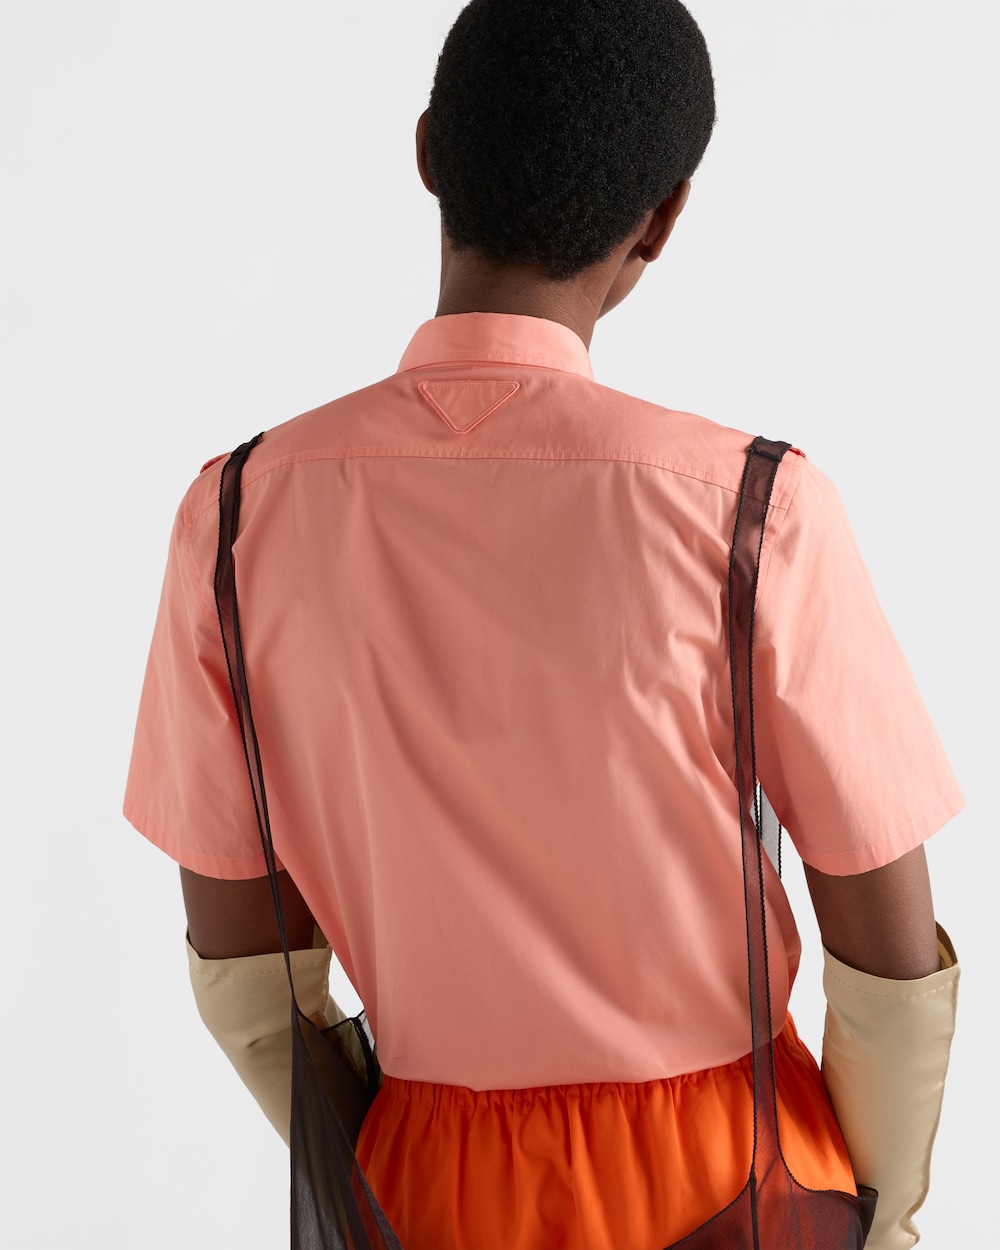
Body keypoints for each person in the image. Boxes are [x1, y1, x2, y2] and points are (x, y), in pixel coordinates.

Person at [123, 2, 962, 1248]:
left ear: (427, 152)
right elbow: (887, 956)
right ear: (662, 218)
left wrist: (373, 1179)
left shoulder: (236, 516)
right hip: (730, 1175)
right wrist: (877, 1212)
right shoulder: (750, 510)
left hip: (421, 1181)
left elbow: (248, 973)